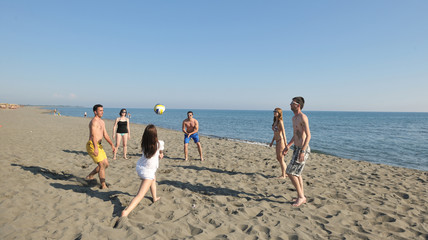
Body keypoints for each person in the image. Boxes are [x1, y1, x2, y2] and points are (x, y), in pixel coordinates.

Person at [121, 124, 164, 217]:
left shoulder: (144, 144)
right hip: (147, 172)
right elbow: (160, 151)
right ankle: (126, 212)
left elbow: (158, 152)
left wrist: (160, 154)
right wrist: (161, 154)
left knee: (153, 178)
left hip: (140, 167)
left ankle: (155, 197)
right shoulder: (159, 143)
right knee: (140, 195)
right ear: (155, 134)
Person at [282, 97, 311, 207]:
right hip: (296, 148)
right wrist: (288, 146)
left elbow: (308, 136)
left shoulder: (303, 117)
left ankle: (301, 197)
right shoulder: (294, 118)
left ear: (297, 105)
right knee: (297, 173)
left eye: (292, 103)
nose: (290, 104)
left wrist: (303, 151)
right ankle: (301, 196)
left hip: (303, 149)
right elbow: (296, 135)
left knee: (289, 172)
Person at [85, 104, 116, 189]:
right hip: (92, 144)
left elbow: (105, 134)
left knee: (106, 164)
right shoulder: (93, 122)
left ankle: (90, 175)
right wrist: (95, 147)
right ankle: (103, 185)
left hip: (99, 145)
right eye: (100, 110)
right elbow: (93, 135)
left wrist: (112, 144)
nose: (102, 112)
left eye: (102, 110)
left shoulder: (102, 122)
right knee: (102, 164)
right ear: (95, 112)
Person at [269, 108, 287, 179]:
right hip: (277, 141)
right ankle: (286, 172)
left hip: (281, 141)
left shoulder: (280, 122)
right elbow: (275, 133)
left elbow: (284, 133)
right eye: (274, 111)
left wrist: (286, 144)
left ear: (279, 113)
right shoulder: (275, 121)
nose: (274, 112)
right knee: (278, 158)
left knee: (281, 158)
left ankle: (283, 175)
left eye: (276, 111)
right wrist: (272, 142)